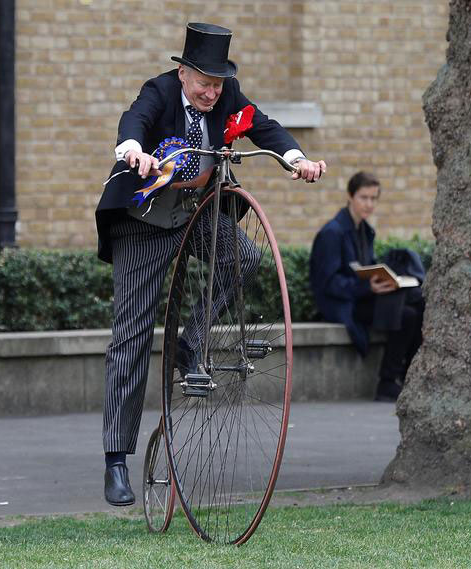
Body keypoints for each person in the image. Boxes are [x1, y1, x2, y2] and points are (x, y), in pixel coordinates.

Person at [94, 22, 326, 507]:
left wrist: (296, 158)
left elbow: (263, 126)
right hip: (144, 215)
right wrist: (131, 149)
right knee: (132, 333)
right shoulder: (158, 92)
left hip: (194, 212)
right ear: (183, 73)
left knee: (244, 256)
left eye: (218, 83)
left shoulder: (227, 97)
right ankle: (117, 458)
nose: (211, 93)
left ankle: (192, 339)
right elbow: (134, 120)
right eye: (204, 83)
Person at [309, 172, 424, 403]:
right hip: (341, 304)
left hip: (359, 297)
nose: (369, 204)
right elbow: (328, 284)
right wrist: (367, 287)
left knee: (418, 303)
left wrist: (382, 281)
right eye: (364, 197)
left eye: (373, 198)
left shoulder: (364, 230)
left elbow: (365, 269)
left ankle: (407, 377)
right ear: (350, 196)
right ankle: (387, 383)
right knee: (405, 315)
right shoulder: (332, 233)